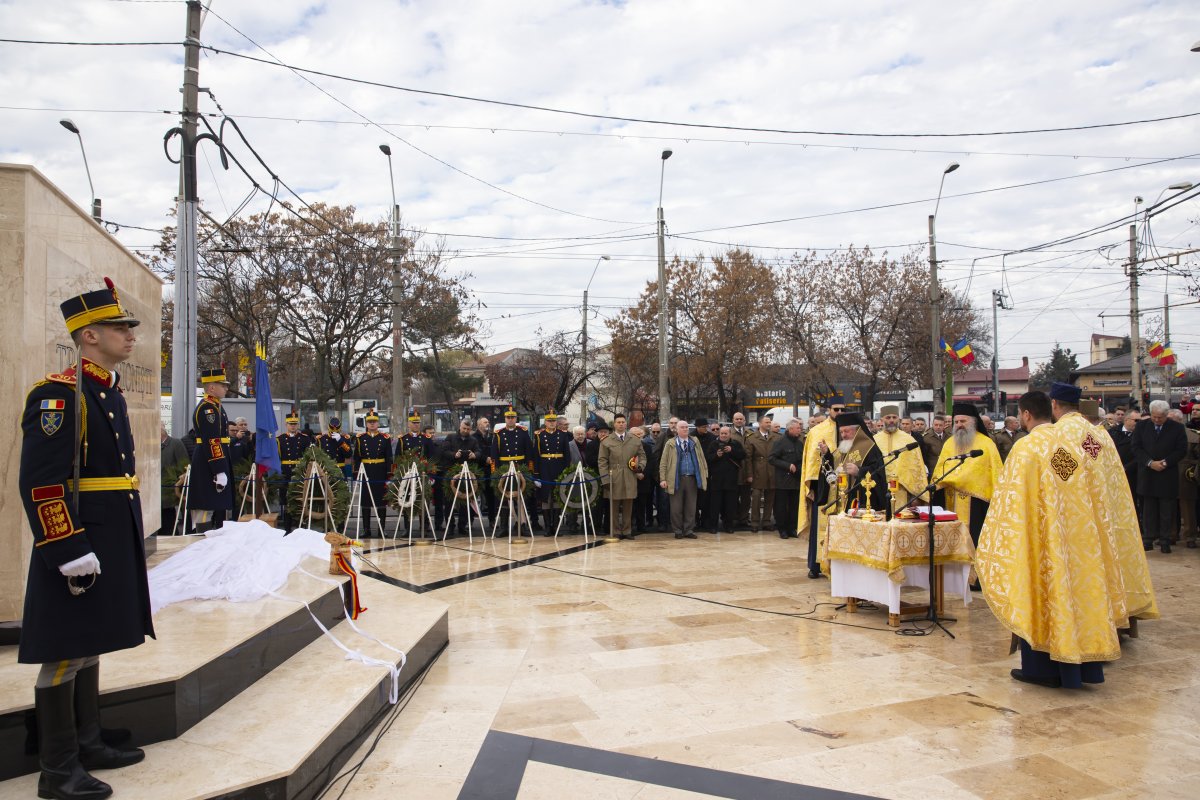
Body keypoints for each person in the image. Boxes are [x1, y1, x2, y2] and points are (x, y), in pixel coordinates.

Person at [19, 280, 152, 798]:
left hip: (107, 533)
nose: (130, 336)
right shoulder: (59, 396)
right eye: (121, 328)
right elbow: (42, 483)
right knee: (65, 649)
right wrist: (65, 548)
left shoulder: (104, 390)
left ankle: (88, 740)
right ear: (89, 335)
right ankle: (57, 768)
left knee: (91, 641)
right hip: (78, 539)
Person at [976, 389, 1159, 689]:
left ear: (1027, 414)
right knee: (1072, 597)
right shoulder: (1078, 439)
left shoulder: (1028, 447)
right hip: (1076, 534)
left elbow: (1010, 501)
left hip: (1039, 537)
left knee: (1040, 596)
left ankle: (1041, 670)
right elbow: (1079, 484)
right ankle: (1079, 667)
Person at [932, 402, 1004, 549]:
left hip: (976, 505)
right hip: (949, 502)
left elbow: (993, 475)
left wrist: (958, 480)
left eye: (963, 421)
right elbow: (940, 470)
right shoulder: (949, 444)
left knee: (974, 543)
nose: (959, 425)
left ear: (973, 422)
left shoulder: (986, 444)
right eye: (956, 422)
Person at [1131, 399, 1188, 553]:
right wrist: (1150, 462)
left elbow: (1181, 450)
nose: (1156, 420)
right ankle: (1148, 539)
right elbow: (1136, 447)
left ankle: (1165, 540)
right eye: (1154, 417)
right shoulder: (1142, 426)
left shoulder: (1176, 428)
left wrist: (1165, 462)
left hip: (1167, 474)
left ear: (1166, 415)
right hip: (1148, 473)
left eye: (1160, 417)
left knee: (1166, 510)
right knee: (1148, 509)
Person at [799, 402, 844, 575]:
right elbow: (811, 460)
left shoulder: (851, 430)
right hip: (824, 487)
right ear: (829, 411)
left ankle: (839, 567)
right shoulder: (817, 431)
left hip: (846, 487)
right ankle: (815, 566)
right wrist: (811, 485)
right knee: (820, 527)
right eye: (836, 409)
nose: (839, 412)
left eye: (842, 409)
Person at [189, 368, 233, 533]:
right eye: (222, 385)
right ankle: (201, 538)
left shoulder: (216, 406)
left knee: (214, 504)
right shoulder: (207, 409)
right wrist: (219, 469)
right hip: (208, 461)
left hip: (214, 458)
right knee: (205, 505)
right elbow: (212, 440)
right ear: (211, 388)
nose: (226, 388)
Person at [598, 413, 646, 539]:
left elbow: (642, 456)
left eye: (623, 422)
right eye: (618, 422)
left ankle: (626, 530)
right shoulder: (606, 441)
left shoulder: (634, 440)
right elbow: (602, 461)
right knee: (613, 506)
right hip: (614, 475)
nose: (621, 424)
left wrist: (640, 467)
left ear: (626, 424)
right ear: (614, 424)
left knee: (628, 504)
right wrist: (605, 479)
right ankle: (616, 531)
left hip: (630, 475)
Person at [873, 405, 927, 514]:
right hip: (878, 488)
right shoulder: (874, 440)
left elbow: (917, 468)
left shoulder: (908, 439)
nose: (892, 420)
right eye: (888, 417)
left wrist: (916, 495)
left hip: (902, 489)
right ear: (882, 419)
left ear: (899, 419)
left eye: (894, 417)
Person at [658, 419, 707, 539]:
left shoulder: (694, 441)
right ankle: (678, 530)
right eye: (683, 427)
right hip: (675, 479)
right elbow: (663, 462)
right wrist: (663, 479)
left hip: (692, 478)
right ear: (677, 430)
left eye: (686, 427)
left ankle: (688, 530)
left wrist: (704, 473)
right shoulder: (670, 443)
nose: (685, 429)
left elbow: (702, 458)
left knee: (691, 506)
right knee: (676, 507)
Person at [490, 407, 537, 531]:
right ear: (505, 418)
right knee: (505, 499)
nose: (510, 420)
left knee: (521, 498)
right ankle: (504, 527)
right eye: (508, 417)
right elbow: (494, 455)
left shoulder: (523, 432)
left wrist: (529, 470)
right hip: (504, 469)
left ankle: (521, 526)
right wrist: (495, 472)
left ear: (516, 418)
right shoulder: (499, 434)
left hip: (520, 468)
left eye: (513, 417)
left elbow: (529, 453)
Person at [439, 418, 482, 537]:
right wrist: (454, 455)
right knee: (449, 502)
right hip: (451, 472)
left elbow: (479, 452)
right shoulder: (450, 437)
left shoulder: (473, 440)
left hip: (466, 473)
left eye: (468, 429)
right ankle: (450, 526)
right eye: (464, 428)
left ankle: (462, 526)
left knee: (465, 501)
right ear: (460, 426)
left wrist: (474, 455)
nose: (465, 430)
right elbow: (443, 451)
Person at [533, 410, 572, 536]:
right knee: (546, 497)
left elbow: (567, 455)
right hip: (545, 468)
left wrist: (566, 472)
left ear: (556, 422)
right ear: (545, 422)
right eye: (549, 421)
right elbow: (536, 456)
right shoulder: (539, 435)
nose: (551, 423)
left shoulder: (562, 435)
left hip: (559, 467)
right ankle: (547, 527)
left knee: (557, 497)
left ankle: (555, 526)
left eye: (553, 421)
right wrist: (536, 474)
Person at [353, 410, 392, 537]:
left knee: (381, 502)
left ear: (378, 423)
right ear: (366, 423)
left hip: (380, 471)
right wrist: (356, 475)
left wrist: (389, 474)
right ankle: (366, 529)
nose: (372, 424)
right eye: (369, 422)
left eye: (374, 422)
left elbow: (388, 457)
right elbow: (357, 457)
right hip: (366, 471)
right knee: (366, 501)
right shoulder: (360, 438)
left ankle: (382, 529)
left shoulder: (384, 438)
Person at [769, 418, 807, 544]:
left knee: (794, 506)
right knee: (781, 506)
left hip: (796, 480)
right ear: (791, 429)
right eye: (798, 428)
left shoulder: (799, 443)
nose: (800, 430)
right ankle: (782, 529)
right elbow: (772, 459)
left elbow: (802, 459)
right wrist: (787, 465)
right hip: (783, 480)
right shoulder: (780, 442)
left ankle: (792, 528)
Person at [703, 426, 745, 534]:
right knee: (715, 505)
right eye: (722, 433)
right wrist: (716, 455)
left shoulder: (735, 444)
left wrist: (732, 450)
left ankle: (728, 525)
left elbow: (743, 455)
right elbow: (707, 458)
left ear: (730, 434)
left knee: (730, 505)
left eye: (726, 433)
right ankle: (713, 526)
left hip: (731, 479)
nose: (723, 435)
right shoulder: (713, 444)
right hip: (716, 480)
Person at [275, 412, 312, 532]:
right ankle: (287, 527)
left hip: (299, 472)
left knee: (300, 499)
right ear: (286, 425)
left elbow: (309, 456)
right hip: (286, 472)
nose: (293, 426)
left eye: (295, 424)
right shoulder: (280, 439)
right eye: (290, 424)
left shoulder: (304, 438)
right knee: (286, 501)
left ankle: (300, 526)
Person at [745, 418, 779, 532]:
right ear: (760, 424)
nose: (769, 424)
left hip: (772, 471)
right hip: (758, 471)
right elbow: (748, 458)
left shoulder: (775, 437)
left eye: (770, 422)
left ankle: (766, 521)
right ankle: (754, 522)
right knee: (756, 498)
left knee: (770, 498)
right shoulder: (752, 438)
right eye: (766, 422)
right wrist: (749, 474)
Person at [160, 423, 188, 536]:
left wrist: (179, 480)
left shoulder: (175, 443)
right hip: (155, 492)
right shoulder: (150, 445)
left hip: (168, 490)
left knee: (168, 519)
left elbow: (184, 464)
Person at [1178, 410, 1200, 548]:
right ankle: (1180, 534)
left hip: (1189, 474)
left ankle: (1190, 534)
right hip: (1176, 475)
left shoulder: (1192, 435)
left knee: (1188, 506)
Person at [729, 412, 753, 529]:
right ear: (733, 420)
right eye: (737, 419)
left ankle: (744, 519)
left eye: (741, 419)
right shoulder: (729, 434)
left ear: (744, 420)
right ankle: (734, 518)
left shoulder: (749, 434)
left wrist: (750, 473)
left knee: (746, 498)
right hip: (734, 470)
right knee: (733, 497)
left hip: (747, 470)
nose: (739, 421)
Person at [585, 420, 610, 534]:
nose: (603, 434)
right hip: (596, 477)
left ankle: (608, 526)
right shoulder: (592, 445)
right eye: (601, 432)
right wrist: (603, 462)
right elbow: (589, 460)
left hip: (610, 476)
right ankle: (596, 526)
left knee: (609, 503)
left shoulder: (612, 443)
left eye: (605, 432)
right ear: (597, 433)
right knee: (597, 504)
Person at [471, 416, 496, 527]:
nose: (487, 423)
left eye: (488, 422)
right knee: (473, 495)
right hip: (478, 469)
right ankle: (469, 521)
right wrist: (484, 458)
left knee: (491, 497)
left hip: (490, 470)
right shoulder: (473, 437)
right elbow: (475, 452)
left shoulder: (492, 436)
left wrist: (492, 458)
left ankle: (492, 520)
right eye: (485, 422)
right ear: (479, 425)